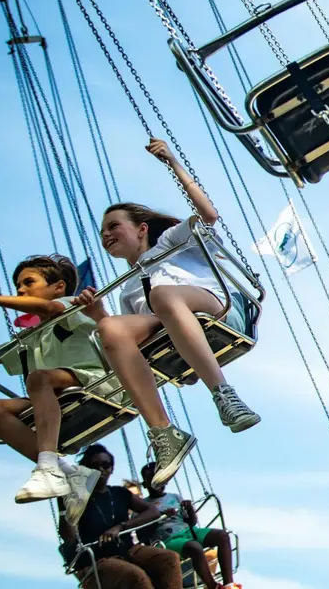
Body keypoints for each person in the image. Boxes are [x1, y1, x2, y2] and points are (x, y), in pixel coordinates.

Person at [79, 138, 259, 487]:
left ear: (141, 228)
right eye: (102, 233)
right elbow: (132, 347)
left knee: (162, 294)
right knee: (112, 329)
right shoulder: (130, 288)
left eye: (114, 226)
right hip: (174, 327)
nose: (106, 235)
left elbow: (208, 215)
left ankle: (224, 394)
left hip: (219, 310)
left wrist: (172, 163)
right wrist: (99, 314)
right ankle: (164, 433)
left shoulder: (172, 241)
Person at [0, 255, 101, 515]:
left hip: (92, 384)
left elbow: (49, 310)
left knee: (39, 377)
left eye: (28, 282)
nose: (20, 290)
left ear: (58, 287)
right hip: (53, 394)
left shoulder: (69, 305)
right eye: (18, 286)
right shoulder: (31, 336)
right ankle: (71, 473)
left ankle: (47, 467)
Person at [58, 444, 181, 589]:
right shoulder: (77, 499)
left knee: (169, 558)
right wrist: (65, 507)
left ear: (112, 468)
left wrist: (121, 527)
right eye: (94, 466)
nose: (101, 470)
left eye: (106, 465)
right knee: (136, 576)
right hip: (97, 560)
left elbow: (152, 511)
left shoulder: (119, 493)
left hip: (128, 549)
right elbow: (69, 538)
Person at [138, 461, 239, 589]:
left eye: (160, 478)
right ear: (145, 484)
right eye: (152, 480)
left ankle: (228, 584)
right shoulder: (142, 505)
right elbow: (141, 535)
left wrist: (189, 508)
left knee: (223, 536)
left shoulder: (175, 497)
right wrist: (158, 517)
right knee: (195, 547)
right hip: (168, 540)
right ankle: (213, 586)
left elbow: (191, 522)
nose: (157, 483)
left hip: (188, 531)